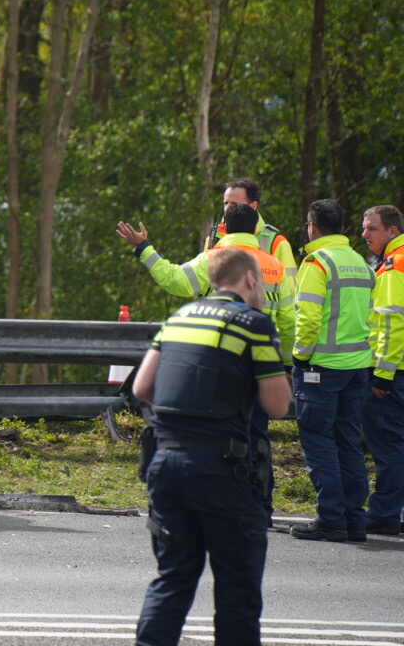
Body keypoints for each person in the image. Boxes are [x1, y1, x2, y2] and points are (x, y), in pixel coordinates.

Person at [133, 246, 291, 646]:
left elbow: (142, 388)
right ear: (250, 279)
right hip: (224, 468)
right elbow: (277, 405)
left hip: (166, 463)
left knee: (173, 580)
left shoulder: (179, 317)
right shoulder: (254, 324)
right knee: (237, 589)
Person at [289, 198, 376, 542]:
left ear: (312, 226)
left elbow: (308, 318)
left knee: (320, 443)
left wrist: (299, 356)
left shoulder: (317, 263)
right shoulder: (360, 262)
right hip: (358, 367)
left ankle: (331, 519)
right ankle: (355, 521)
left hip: (321, 368)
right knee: (349, 442)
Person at [117, 202, 295, 359]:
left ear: (225, 226)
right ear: (256, 227)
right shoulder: (276, 266)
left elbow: (173, 279)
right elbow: (288, 322)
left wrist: (143, 247)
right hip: (262, 358)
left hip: (220, 356)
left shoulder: (211, 260)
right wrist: (287, 363)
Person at [361, 204, 404, 536]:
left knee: (389, 447)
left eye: (372, 228)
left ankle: (386, 513)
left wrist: (382, 375)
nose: (365, 235)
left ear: (392, 230)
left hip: (394, 373)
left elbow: (391, 324)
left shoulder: (393, 265)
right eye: (364, 228)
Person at [214, 177, 298, 279]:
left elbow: (291, 284)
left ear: (253, 206)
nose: (227, 208)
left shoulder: (276, 242)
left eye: (234, 204)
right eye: (226, 203)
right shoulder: (215, 236)